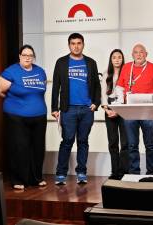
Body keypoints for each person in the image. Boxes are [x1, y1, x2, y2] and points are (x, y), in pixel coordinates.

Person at [0, 45, 47, 190]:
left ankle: (36, 178)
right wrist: (14, 101)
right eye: (24, 55)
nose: (27, 57)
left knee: (37, 148)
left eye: (30, 55)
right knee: (19, 148)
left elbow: (40, 91)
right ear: (19, 56)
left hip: (39, 116)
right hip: (16, 117)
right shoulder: (11, 71)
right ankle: (18, 179)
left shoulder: (40, 72)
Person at [51, 33, 101, 185]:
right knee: (67, 141)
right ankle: (61, 174)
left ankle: (81, 173)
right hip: (68, 109)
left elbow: (97, 86)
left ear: (83, 44)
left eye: (79, 43)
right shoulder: (61, 62)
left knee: (83, 141)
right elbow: (55, 87)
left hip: (86, 109)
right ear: (69, 45)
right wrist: (54, 107)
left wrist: (96, 103)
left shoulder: (91, 63)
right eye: (73, 43)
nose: (76, 46)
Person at [115, 44, 153, 175]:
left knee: (149, 145)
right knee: (132, 145)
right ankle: (134, 172)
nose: (138, 55)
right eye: (136, 52)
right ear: (132, 55)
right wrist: (121, 103)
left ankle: (150, 172)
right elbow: (119, 88)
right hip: (130, 112)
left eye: (141, 52)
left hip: (148, 112)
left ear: (146, 54)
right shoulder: (126, 68)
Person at [101, 49, 128, 180]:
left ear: (123, 59)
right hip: (109, 110)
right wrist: (107, 110)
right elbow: (102, 94)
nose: (117, 60)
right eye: (114, 57)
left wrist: (119, 110)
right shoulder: (107, 74)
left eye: (119, 57)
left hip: (123, 110)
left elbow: (128, 92)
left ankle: (124, 171)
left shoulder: (127, 73)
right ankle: (115, 172)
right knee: (113, 142)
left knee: (125, 142)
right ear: (111, 60)